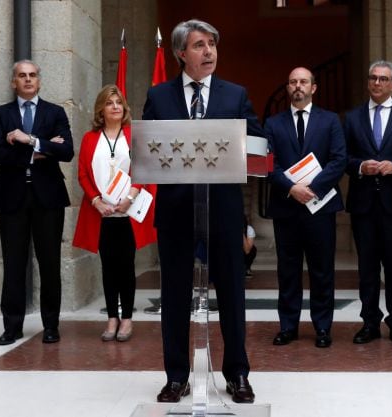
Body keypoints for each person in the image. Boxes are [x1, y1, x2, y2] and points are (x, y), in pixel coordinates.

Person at [142, 19, 262, 404]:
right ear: (181, 53)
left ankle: (237, 375)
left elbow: (259, 146)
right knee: (174, 297)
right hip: (176, 212)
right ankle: (176, 377)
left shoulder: (235, 94)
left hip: (223, 212)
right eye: (199, 45)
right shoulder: (159, 96)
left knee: (231, 296)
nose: (208, 51)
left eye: (212, 44)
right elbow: (144, 150)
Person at [0, 60, 74, 346]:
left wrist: (29, 140)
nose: (27, 80)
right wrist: (39, 151)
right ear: (14, 82)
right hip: (11, 197)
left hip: (48, 198)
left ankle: (51, 325)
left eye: (32, 75)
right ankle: (12, 326)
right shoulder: (0, 114)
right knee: (13, 264)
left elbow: (66, 151)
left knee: (49, 263)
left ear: (39, 81)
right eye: (22, 76)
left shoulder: (55, 112)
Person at [264, 67, 346, 349]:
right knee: (288, 271)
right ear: (287, 88)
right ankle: (288, 327)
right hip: (287, 207)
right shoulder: (273, 124)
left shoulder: (331, 120)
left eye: (303, 82)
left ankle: (322, 327)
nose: (298, 86)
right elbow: (268, 164)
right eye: (292, 82)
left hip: (320, 207)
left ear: (314, 88)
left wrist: (313, 189)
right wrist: (291, 188)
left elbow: (339, 159)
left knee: (322, 270)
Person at [72, 84, 156, 343]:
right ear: (101, 109)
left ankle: (127, 319)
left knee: (126, 268)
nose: (116, 107)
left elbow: (143, 167)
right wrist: (96, 201)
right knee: (108, 268)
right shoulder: (89, 138)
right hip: (102, 214)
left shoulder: (132, 135)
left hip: (127, 214)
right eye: (110, 103)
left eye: (119, 102)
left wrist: (129, 199)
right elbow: (83, 173)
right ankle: (111, 318)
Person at [344, 60, 392, 346]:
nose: (377, 83)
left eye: (383, 79)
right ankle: (369, 321)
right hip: (363, 204)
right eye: (373, 78)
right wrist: (362, 167)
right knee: (367, 267)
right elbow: (343, 158)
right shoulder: (352, 117)